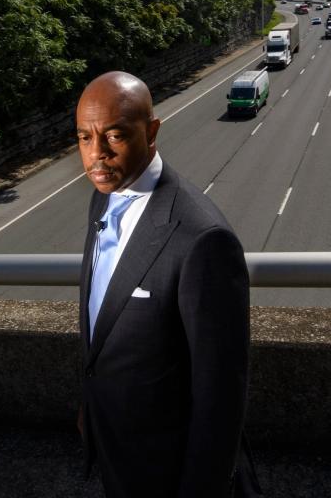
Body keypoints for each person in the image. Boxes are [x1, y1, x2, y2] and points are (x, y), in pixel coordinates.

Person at [75, 71, 257, 497]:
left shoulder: (203, 239)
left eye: (114, 136)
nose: (95, 155)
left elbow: (222, 394)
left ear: (152, 132)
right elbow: (104, 320)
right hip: (114, 445)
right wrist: (92, 402)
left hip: (167, 469)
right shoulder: (103, 194)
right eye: (84, 138)